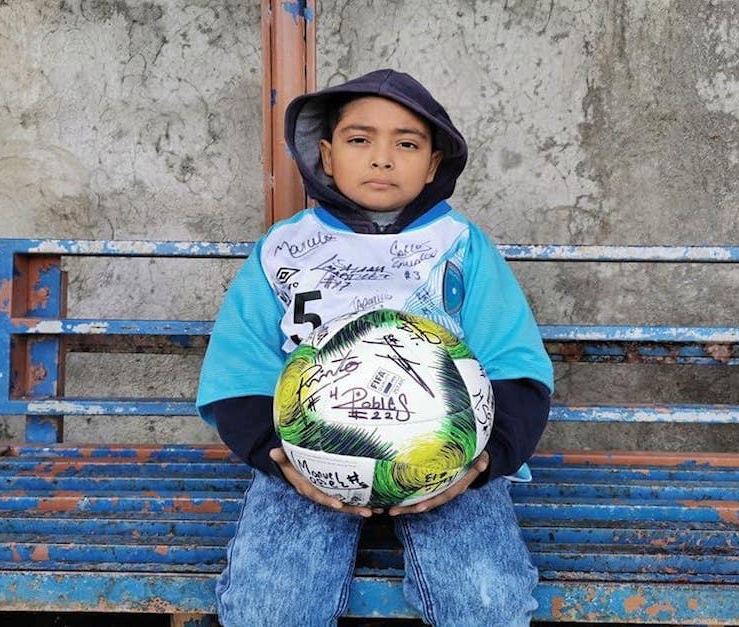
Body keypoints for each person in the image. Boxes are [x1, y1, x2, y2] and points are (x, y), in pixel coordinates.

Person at [197, 69, 554, 626]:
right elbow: (237, 363)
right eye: (360, 140)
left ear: (434, 163)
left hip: (447, 461)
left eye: (406, 143)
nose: (382, 158)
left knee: (486, 603)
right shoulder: (285, 248)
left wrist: (483, 463)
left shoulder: (460, 246)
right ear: (327, 155)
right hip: (310, 458)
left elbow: (515, 359)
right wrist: (278, 454)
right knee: (269, 609)